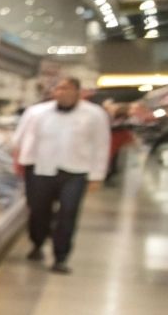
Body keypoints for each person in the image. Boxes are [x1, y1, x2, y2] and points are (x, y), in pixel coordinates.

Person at [12, 77, 109, 274]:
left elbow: (101, 145)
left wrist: (97, 175)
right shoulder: (36, 112)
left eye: (66, 88)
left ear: (77, 91)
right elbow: (19, 138)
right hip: (40, 168)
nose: (61, 92)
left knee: (68, 213)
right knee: (38, 211)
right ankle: (37, 243)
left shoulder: (95, 114)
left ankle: (61, 257)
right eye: (58, 89)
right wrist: (19, 160)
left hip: (76, 171)